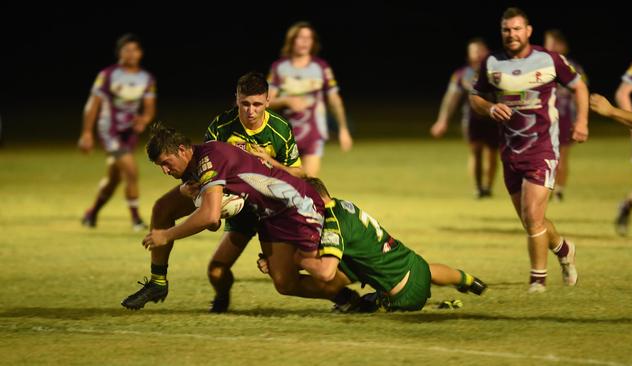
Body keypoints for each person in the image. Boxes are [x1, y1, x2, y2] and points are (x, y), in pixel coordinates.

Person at [121, 73, 325, 312]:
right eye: (245, 104)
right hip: (232, 198)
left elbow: (298, 173)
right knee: (212, 267)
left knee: (283, 280)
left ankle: (341, 292)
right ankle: (162, 283)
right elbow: (199, 165)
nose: (250, 111)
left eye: (257, 104)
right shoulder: (221, 126)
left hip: (270, 204)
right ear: (236, 100)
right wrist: (189, 188)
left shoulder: (279, 129)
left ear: (268, 102)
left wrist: (271, 161)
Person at [122, 123, 360, 311]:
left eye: (166, 163)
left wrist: (167, 234)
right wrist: (193, 196)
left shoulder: (209, 158)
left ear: (182, 150)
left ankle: (359, 277)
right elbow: (213, 221)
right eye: (159, 167)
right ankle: (158, 282)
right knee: (284, 283)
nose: (165, 171)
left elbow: (209, 216)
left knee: (318, 268)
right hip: (265, 213)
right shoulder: (192, 167)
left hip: (294, 208)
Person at [469, 7, 588, 293]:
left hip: (542, 148)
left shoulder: (548, 60)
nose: (512, 34)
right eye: (506, 30)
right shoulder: (492, 62)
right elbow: (475, 97)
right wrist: (490, 107)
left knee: (533, 216)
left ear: (528, 31)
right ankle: (563, 249)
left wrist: (582, 121)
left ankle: (538, 281)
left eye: (517, 29)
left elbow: (580, 88)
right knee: (531, 219)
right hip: (510, 152)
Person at [258, 178, 487, 312]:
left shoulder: (332, 222)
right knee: (426, 270)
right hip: (410, 263)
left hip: (400, 296)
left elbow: (326, 272)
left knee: (352, 296)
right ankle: (468, 280)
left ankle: (349, 301)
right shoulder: (343, 205)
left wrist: (295, 259)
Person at [78, 33, 156, 231]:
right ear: (119, 52)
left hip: (129, 133)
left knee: (114, 178)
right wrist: (87, 132)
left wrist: (144, 120)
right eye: (126, 49)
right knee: (131, 170)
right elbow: (93, 104)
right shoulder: (108, 75)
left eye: (135, 49)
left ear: (141, 53)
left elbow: (149, 108)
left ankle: (91, 213)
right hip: (109, 130)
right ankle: (136, 220)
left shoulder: (146, 78)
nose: (131, 53)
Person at [267, 21, 353, 177]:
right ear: (291, 40)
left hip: (314, 132)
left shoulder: (321, 67)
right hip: (286, 135)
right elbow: (266, 101)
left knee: (308, 183)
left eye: (309, 38)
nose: (305, 41)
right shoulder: (279, 68)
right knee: (285, 182)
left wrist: (343, 129)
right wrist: (285, 101)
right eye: (300, 37)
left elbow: (334, 99)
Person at [430, 38, 499, 198]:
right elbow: (451, 98)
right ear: (469, 55)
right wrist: (442, 120)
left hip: (493, 117)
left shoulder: (496, 73)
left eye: (481, 50)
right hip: (472, 119)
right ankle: (478, 187)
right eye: (474, 51)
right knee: (475, 151)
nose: (478, 54)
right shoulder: (462, 75)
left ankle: (488, 187)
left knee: (492, 153)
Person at [543, 29, 587, 201]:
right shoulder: (540, 64)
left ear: (562, 45)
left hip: (565, 116)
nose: (550, 46)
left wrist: (581, 118)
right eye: (548, 42)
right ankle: (546, 189)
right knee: (545, 156)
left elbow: (580, 92)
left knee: (562, 156)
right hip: (545, 117)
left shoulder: (573, 66)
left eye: (553, 43)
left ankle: (559, 190)